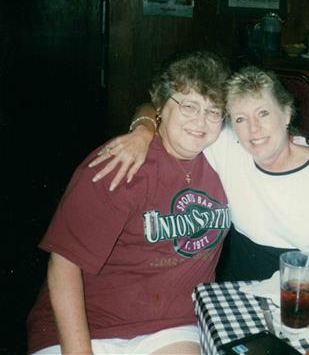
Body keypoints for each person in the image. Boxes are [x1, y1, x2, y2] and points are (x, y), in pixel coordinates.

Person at [27, 51, 231, 355]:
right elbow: (64, 264)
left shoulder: (225, 162)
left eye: (214, 111)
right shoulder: (121, 163)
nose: (201, 121)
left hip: (172, 327)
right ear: (161, 106)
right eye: (189, 106)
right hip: (86, 326)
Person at [91, 66, 309, 281]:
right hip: (242, 279)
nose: (253, 129)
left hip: (306, 283)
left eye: (263, 113)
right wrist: (142, 130)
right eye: (240, 119)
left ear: (287, 113)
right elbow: (157, 106)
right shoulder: (227, 145)